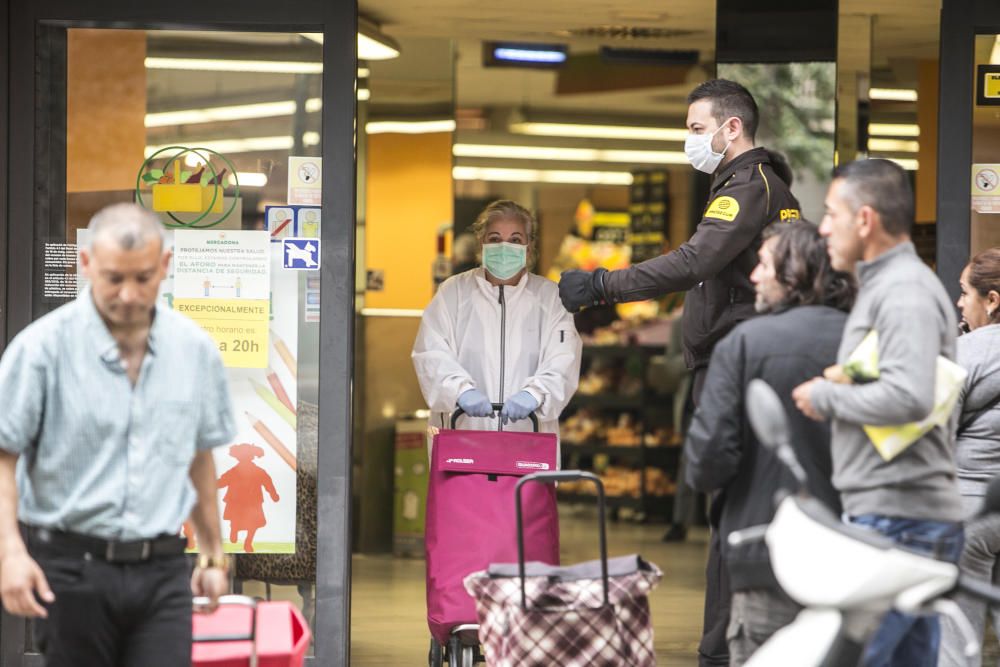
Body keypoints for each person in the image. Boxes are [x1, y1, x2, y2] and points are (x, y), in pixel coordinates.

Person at [559, 78, 801, 667]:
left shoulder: (746, 188)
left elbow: (695, 260)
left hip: (736, 366)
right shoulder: (759, 185)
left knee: (731, 510)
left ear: (731, 127)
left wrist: (600, 286)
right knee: (737, 508)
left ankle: (722, 650)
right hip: (738, 362)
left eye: (697, 129)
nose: (690, 140)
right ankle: (734, 642)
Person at [0, 203, 234, 666]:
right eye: (113, 278)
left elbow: (199, 455)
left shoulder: (195, 351)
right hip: (71, 570)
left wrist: (212, 554)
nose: (128, 294)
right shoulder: (41, 349)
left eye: (143, 278)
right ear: (86, 264)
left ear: (164, 266)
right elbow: (3, 456)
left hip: (163, 570)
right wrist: (10, 553)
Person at [793, 159, 964, 667]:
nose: (823, 228)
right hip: (900, 513)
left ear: (864, 220)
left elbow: (908, 397)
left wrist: (825, 396)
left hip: (899, 518)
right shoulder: (891, 286)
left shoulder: (904, 291)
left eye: (830, 214)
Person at [685, 221, 854, 665]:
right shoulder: (864, 343)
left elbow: (706, 463)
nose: (754, 276)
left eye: (763, 265)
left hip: (765, 553)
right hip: (857, 556)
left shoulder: (743, 344)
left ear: (793, 272)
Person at [412, 199, 582, 436]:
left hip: (529, 437)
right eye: (494, 239)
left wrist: (535, 394)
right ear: (481, 245)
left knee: (526, 475)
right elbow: (430, 352)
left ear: (529, 248)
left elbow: (564, 358)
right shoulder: (453, 293)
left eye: (515, 240)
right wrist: (460, 391)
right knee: (463, 472)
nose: (504, 248)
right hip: (462, 433)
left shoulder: (550, 298)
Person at [939, 248, 1000, 667]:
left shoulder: (967, 351)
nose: (960, 302)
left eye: (964, 292)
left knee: (959, 641)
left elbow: (934, 435)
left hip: (970, 511)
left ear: (992, 300)